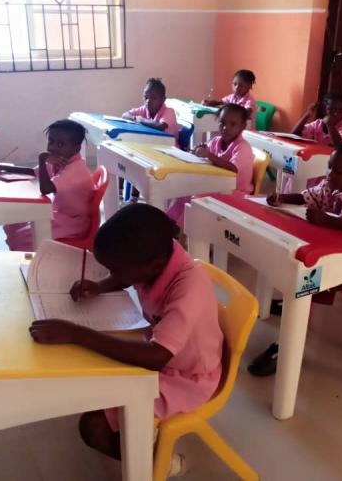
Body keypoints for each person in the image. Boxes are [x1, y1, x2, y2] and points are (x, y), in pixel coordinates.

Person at [29, 204, 224, 477]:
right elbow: (127, 278)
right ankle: (138, 434)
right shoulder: (157, 262)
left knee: (94, 427)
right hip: (164, 354)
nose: (111, 273)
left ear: (153, 265)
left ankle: (160, 464)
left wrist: (76, 333)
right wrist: (100, 286)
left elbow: (156, 356)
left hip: (187, 378)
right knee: (91, 384)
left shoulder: (189, 289)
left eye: (114, 269)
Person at [248, 140, 342, 376]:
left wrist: (329, 221)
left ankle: (284, 347)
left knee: (303, 275)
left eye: (338, 170)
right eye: (330, 167)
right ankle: (292, 304)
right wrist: (282, 197)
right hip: (329, 251)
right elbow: (309, 196)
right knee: (293, 260)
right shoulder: (334, 184)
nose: (330, 174)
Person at [0, 119, 95, 251]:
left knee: (24, 237)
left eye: (61, 144)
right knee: (13, 221)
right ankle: (19, 254)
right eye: (51, 141)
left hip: (74, 222)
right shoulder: (61, 159)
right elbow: (34, 172)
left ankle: (28, 261)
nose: (53, 147)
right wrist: (2, 167)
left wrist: (42, 159)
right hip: (58, 213)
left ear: (76, 148)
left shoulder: (75, 170)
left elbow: (45, 189)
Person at [166, 103, 254, 228]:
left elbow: (234, 169)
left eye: (232, 124)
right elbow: (206, 151)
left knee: (192, 192)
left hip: (235, 193)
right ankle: (171, 222)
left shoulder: (243, 147)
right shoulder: (217, 140)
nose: (225, 127)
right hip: (216, 184)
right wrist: (198, 151)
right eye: (222, 122)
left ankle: (180, 227)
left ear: (242, 126)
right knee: (184, 187)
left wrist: (209, 155)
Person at [122, 77, 180, 142]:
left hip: (170, 148)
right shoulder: (144, 109)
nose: (148, 101)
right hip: (151, 144)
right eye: (146, 97)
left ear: (163, 99)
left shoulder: (169, 111)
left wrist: (141, 119)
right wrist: (135, 118)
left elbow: (160, 126)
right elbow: (125, 115)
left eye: (153, 98)